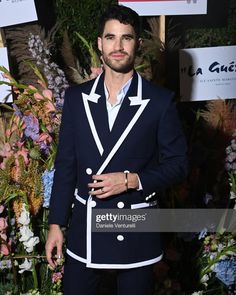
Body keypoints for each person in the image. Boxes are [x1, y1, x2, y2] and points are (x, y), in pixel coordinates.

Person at [46, 4, 188, 295]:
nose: (118, 46)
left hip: (134, 223)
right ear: (100, 43)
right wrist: (56, 223)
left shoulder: (159, 102)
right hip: (86, 228)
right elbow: (66, 166)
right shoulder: (76, 98)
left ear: (137, 44)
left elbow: (178, 165)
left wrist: (130, 180)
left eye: (127, 37)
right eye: (111, 37)